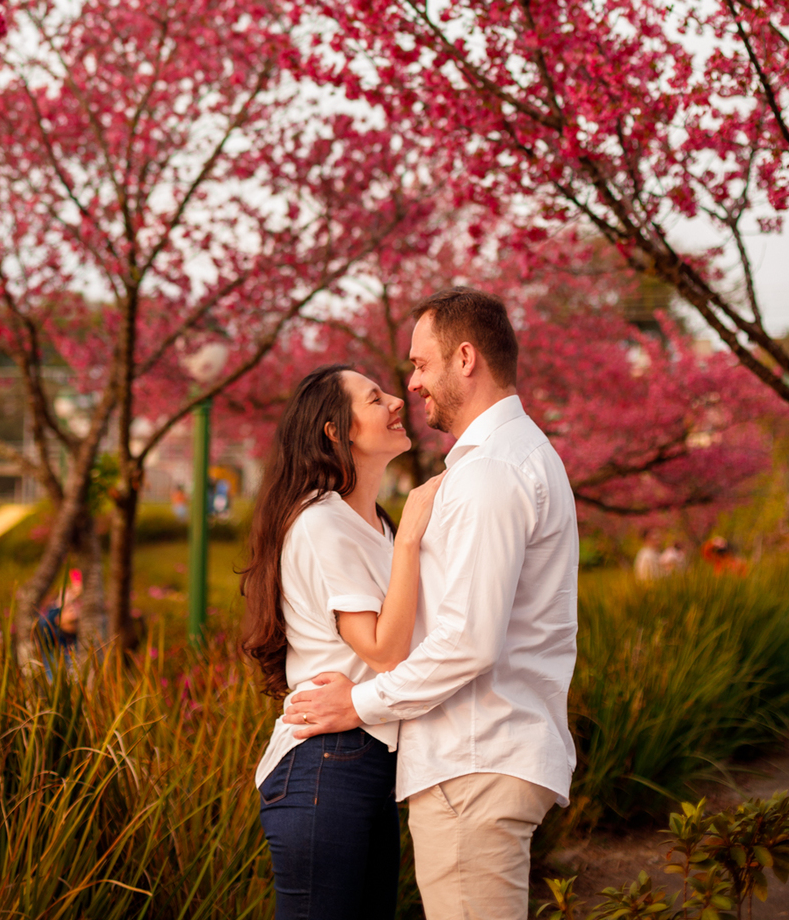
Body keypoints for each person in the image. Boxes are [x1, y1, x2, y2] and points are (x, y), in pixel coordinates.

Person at [290, 288, 579, 920]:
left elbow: (468, 640)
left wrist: (358, 701)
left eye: (421, 365)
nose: (411, 385)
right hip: (486, 754)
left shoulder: (489, 471)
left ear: (466, 358)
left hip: (471, 759)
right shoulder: (512, 456)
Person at [240, 362, 443, 920]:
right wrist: (414, 536)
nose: (397, 401)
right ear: (337, 430)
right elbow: (382, 649)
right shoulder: (320, 520)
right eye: (376, 399)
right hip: (326, 765)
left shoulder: (376, 523)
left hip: (368, 759)